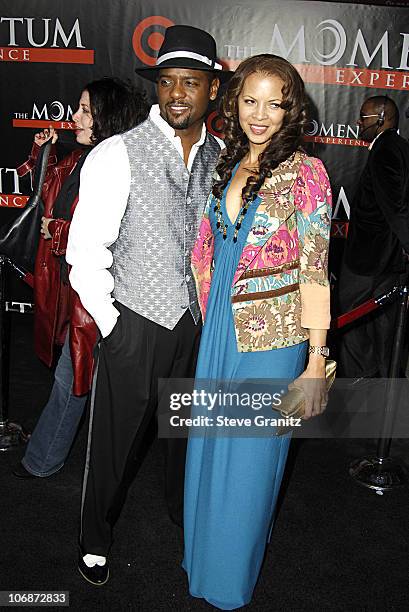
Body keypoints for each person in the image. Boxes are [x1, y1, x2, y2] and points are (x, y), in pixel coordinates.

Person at [66, 25, 231, 585]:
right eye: (167, 81)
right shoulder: (119, 152)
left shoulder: (222, 157)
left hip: (196, 324)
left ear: (212, 90)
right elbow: (84, 251)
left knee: (183, 434)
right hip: (134, 320)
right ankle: (93, 539)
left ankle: (180, 515)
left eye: (191, 82)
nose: (178, 93)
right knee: (113, 442)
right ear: (156, 87)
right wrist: (115, 324)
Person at [183, 54, 332, 609]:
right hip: (221, 325)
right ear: (235, 102)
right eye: (250, 100)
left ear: (291, 108)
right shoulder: (227, 160)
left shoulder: (307, 173)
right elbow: (211, 245)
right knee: (211, 445)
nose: (260, 114)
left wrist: (316, 359)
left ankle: (227, 581)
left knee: (248, 461)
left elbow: (315, 267)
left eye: (274, 103)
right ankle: (202, 560)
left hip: (273, 336)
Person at [12, 78, 148, 480]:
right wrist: (43, 153)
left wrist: (61, 232)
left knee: (74, 376)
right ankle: (51, 452)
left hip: (106, 293)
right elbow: (49, 198)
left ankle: (43, 459)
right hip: (76, 287)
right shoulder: (80, 160)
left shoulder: (123, 166)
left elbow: (118, 233)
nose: (75, 116)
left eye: (86, 110)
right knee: (75, 376)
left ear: (108, 117)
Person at [338, 95, 409, 379]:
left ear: (381, 119)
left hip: (368, 262)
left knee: (350, 322)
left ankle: (360, 387)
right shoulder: (401, 148)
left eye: (363, 117)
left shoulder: (386, 151)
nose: (358, 122)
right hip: (387, 261)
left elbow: (396, 207)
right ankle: (382, 389)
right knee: (383, 329)